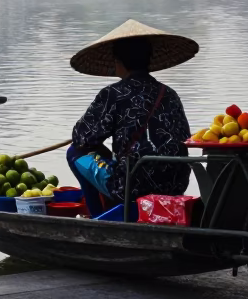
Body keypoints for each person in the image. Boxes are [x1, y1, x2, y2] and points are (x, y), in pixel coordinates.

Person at [67, 20, 197, 216]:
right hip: (175, 184)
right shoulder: (169, 93)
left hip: (133, 187)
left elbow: (81, 138)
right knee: (115, 156)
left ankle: (97, 219)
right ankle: (116, 211)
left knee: (74, 153)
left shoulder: (113, 93)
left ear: (119, 62)